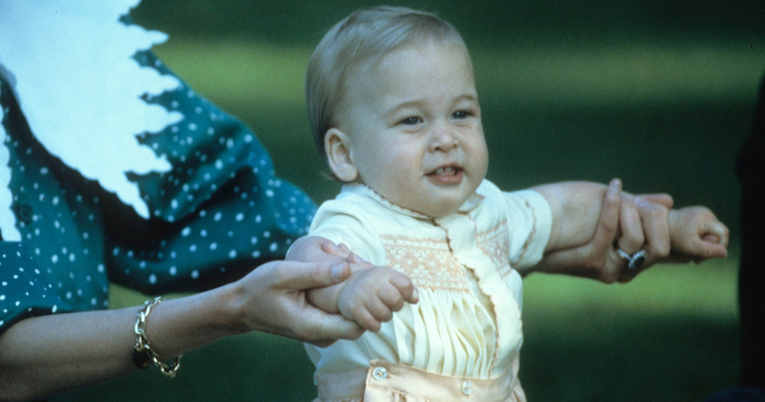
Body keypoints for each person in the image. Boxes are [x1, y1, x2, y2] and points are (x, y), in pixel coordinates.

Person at [287, 6, 730, 401]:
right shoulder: (358, 221)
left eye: (461, 113)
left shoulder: (487, 210)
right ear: (345, 154)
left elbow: (563, 210)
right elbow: (305, 266)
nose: (446, 138)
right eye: (412, 120)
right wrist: (347, 289)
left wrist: (667, 225)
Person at [0, 1, 390, 400]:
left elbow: (215, 191)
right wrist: (233, 307)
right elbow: (8, 359)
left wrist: (361, 244)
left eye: (460, 114)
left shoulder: (50, 29)